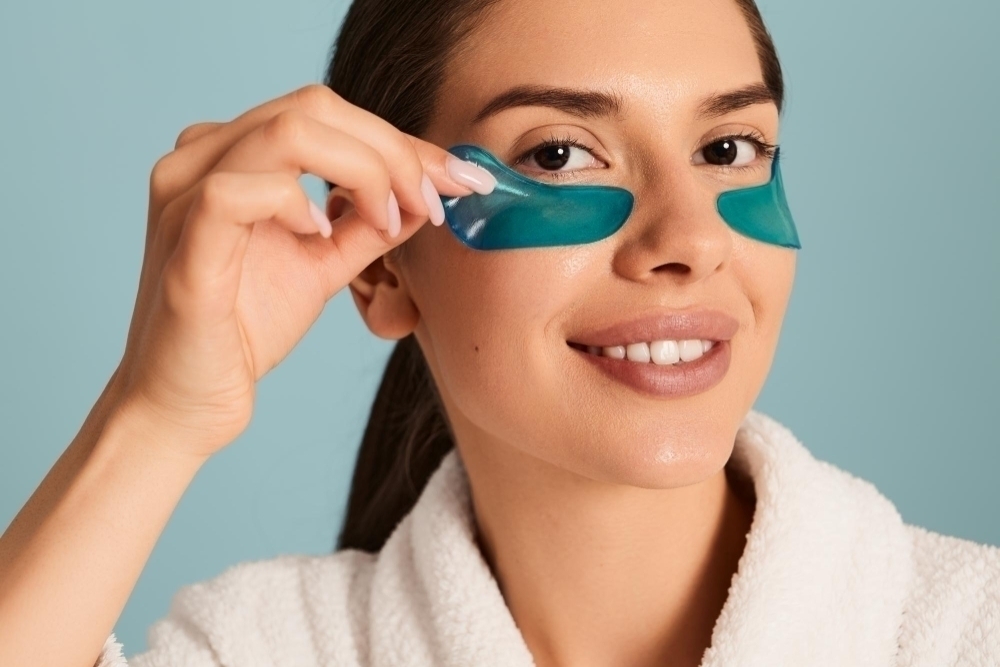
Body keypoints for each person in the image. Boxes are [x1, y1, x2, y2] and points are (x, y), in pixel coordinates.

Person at [1, 0, 998, 665]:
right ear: (383, 261)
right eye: (559, 154)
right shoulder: (265, 646)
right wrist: (157, 417)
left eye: (728, 146)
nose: (689, 240)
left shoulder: (966, 630)